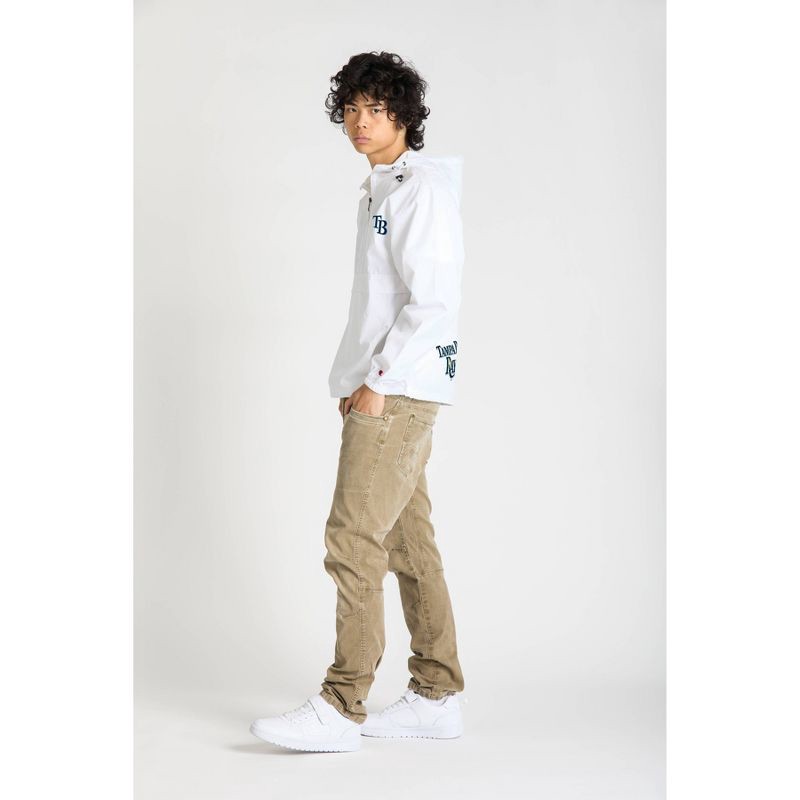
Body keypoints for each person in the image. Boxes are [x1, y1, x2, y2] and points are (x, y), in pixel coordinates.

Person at [250, 51, 466, 753]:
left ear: (403, 115)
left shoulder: (419, 190)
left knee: (352, 541)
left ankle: (342, 706)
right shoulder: (381, 189)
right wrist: (355, 378)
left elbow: (432, 301)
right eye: (350, 109)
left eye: (375, 108)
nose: (360, 121)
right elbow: (380, 300)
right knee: (407, 541)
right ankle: (436, 695)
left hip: (398, 388)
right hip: (386, 385)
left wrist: (377, 380)